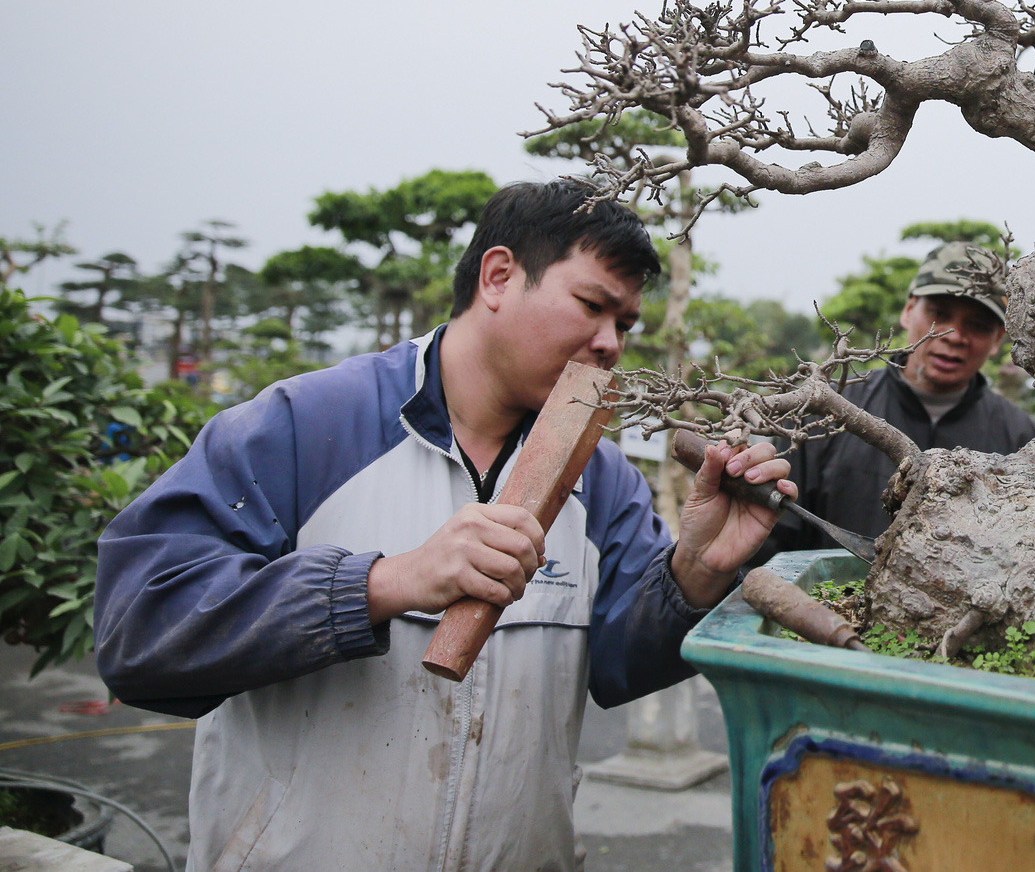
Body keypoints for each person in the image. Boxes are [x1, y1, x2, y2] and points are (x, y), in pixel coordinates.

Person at [94, 181, 793, 872]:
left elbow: (616, 665)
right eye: (591, 306)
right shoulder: (304, 425)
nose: (610, 344)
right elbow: (141, 631)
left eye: (626, 325)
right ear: (498, 276)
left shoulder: (601, 478)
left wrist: (694, 570)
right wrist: (384, 583)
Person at [764, 241, 1035, 554]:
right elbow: (774, 539)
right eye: (940, 314)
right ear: (909, 311)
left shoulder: (1021, 440)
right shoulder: (825, 410)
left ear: (997, 339)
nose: (954, 337)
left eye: (977, 325)